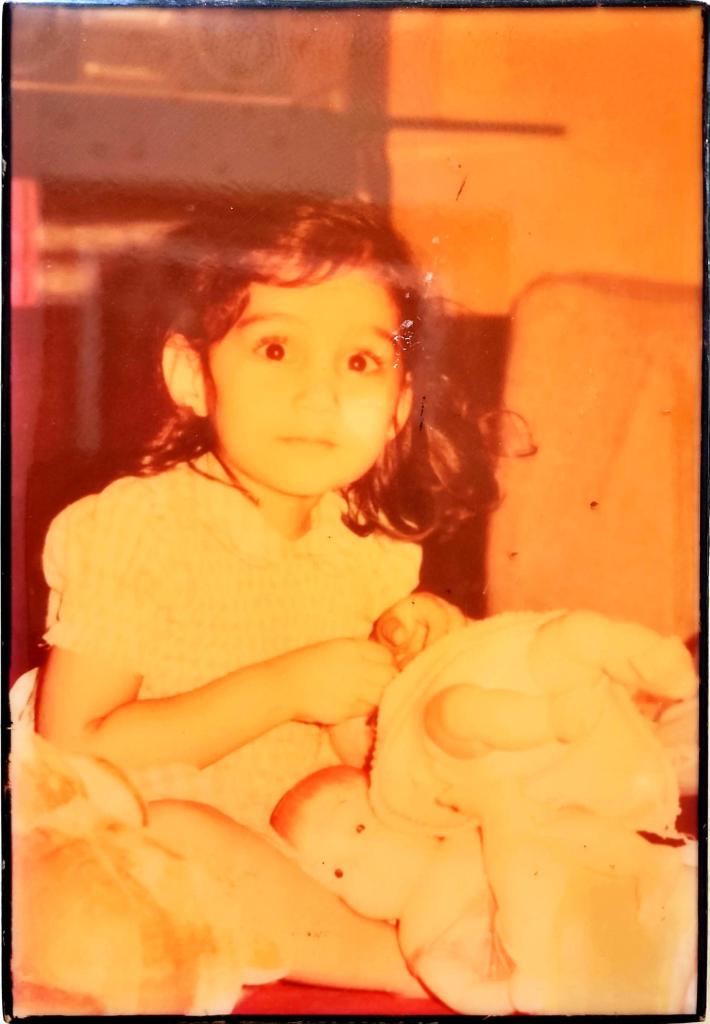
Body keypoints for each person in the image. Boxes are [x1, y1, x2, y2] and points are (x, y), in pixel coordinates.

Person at [33, 195, 491, 995]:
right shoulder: (136, 529)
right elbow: (79, 747)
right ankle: (397, 965)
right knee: (176, 833)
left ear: (399, 410)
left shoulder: (367, 556)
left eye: (360, 363)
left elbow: (361, 757)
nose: (320, 395)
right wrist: (282, 689)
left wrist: (411, 679)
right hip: (144, 849)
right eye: (276, 349)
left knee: (453, 806)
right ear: (192, 377)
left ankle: (509, 918)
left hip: (307, 846)